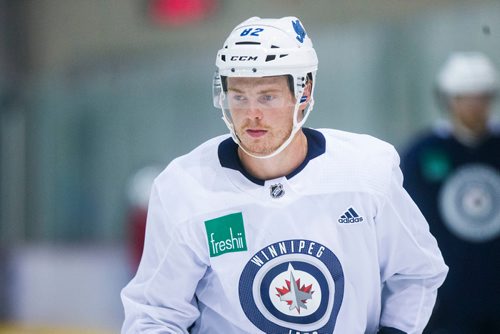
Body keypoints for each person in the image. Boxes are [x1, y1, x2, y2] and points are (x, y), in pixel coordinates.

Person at [121, 16, 448, 334]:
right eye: (239, 97)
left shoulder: (365, 172)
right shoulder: (186, 188)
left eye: (268, 96)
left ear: (303, 93)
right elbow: (154, 314)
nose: (252, 114)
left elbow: (417, 272)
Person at [400, 52, 500, 333]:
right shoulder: (421, 154)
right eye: (466, 98)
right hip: (449, 299)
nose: (475, 106)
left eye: (482, 97)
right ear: (449, 100)